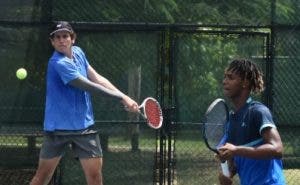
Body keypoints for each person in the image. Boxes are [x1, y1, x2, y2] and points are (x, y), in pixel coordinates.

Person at [30, 21, 139, 185]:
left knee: (95, 178)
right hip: (57, 129)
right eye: (57, 37)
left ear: (72, 39)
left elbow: (98, 78)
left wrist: (125, 96)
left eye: (65, 36)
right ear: (52, 42)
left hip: (84, 128)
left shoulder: (79, 53)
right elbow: (90, 86)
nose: (61, 40)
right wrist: (122, 98)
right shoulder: (58, 63)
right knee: (42, 178)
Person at [217, 59, 286, 185]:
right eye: (225, 77)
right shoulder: (232, 120)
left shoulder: (258, 111)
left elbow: (277, 149)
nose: (224, 81)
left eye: (230, 78)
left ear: (245, 82)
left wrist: (236, 150)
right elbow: (235, 160)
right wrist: (228, 174)